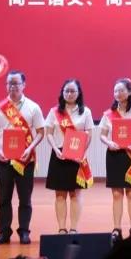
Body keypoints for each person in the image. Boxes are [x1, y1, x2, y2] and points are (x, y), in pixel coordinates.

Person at [0, 71, 45, 245]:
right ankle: (4, 232)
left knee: (25, 199)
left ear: (23, 85)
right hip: (3, 159)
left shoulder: (33, 107)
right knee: (4, 198)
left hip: (25, 160)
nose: (13, 86)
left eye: (16, 83)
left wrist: (30, 148)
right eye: (9, 83)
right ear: (6, 86)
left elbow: (40, 132)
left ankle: (24, 231)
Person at [99, 78, 131, 240]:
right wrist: (109, 143)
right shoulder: (108, 114)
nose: (118, 94)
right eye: (115, 91)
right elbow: (102, 135)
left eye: (121, 90)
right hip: (114, 155)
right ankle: (116, 228)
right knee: (116, 194)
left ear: (129, 92)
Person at [43, 79, 94, 234]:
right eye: (67, 91)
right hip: (59, 155)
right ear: (62, 93)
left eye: (73, 91)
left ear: (78, 93)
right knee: (60, 195)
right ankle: (61, 228)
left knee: (75, 194)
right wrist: (55, 149)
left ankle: (73, 228)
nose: (70, 94)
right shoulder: (54, 112)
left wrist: (82, 152)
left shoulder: (85, 112)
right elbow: (49, 133)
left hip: (77, 156)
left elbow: (89, 134)